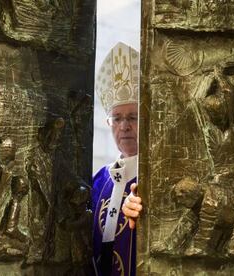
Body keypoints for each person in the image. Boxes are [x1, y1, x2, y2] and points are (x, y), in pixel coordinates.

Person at [92, 42, 142, 276]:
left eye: (133, 117)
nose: (124, 127)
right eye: (117, 118)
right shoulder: (100, 180)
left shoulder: (160, 177)